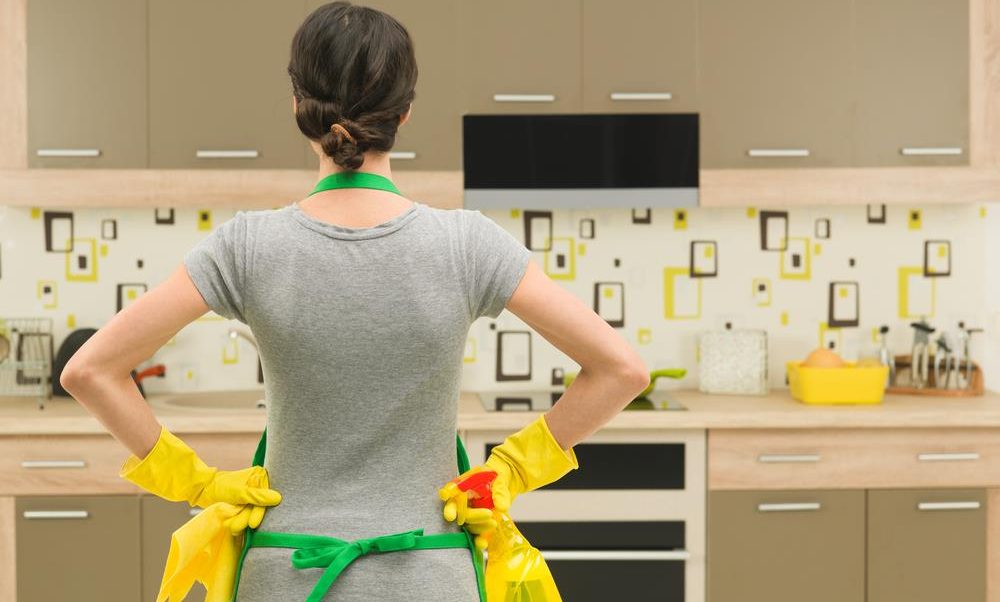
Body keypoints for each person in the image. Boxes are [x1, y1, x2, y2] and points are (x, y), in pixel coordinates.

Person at [59, 2, 650, 600]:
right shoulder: (466, 244)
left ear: (298, 104)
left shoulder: (246, 246)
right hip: (430, 573)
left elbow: (90, 370)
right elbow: (621, 370)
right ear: (405, 111)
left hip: (285, 573)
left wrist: (200, 484)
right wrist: (513, 469)